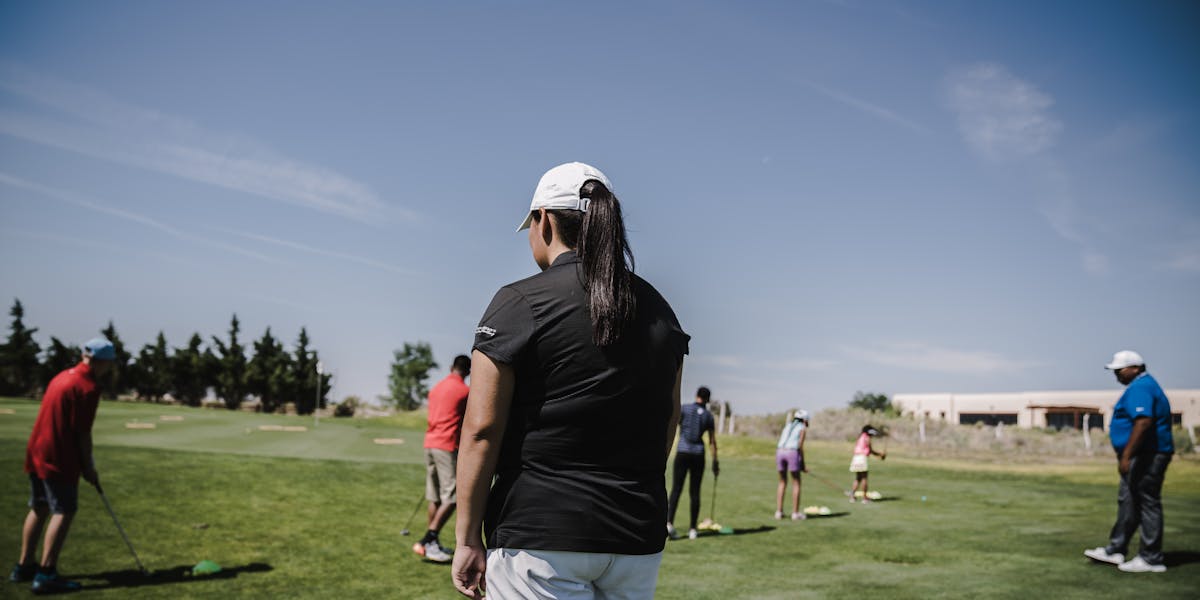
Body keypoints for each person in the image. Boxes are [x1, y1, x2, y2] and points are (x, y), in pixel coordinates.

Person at [452, 162, 689, 599]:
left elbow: (482, 430)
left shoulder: (520, 300)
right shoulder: (661, 310)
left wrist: (466, 538)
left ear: (543, 220)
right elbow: (669, 420)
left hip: (540, 535)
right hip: (636, 536)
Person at [10, 338, 113, 594]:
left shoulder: (61, 376)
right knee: (64, 510)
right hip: (59, 455)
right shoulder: (87, 387)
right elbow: (82, 433)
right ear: (103, 362)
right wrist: (88, 467)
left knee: (40, 506)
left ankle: (24, 566)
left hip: (37, 450)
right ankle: (46, 573)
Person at [1084, 350, 1174, 573]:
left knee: (1146, 501)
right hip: (1142, 453)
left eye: (1119, 370)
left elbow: (1143, 422)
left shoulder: (1141, 387)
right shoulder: (1141, 386)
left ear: (1135, 368)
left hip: (1147, 454)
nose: (1117, 375)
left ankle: (1151, 558)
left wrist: (1127, 455)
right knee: (1129, 500)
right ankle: (1116, 549)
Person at [414, 354, 471, 563]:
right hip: (447, 446)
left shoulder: (436, 387)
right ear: (468, 371)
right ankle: (429, 539)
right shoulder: (465, 391)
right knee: (453, 495)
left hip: (429, 443)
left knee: (435, 496)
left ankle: (432, 545)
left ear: (451, 367)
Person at [666, 387, 719, 540]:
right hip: (698, 454)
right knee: (694, 492)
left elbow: (673, 426)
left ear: (696, 396)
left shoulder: (684, 409)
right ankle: (693, 529)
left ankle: (669, 523)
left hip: (682, 452)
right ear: (707, 400)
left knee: (676, 489)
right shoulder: (708, 416)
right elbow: (712, 441)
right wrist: (715, 462)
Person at [775, 409, 809, 520]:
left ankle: (779, 512)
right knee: (796, 482)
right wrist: (803, 465)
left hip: (780, 452)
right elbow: (800, 447)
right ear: (804, 420)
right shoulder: (802, 428)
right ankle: (795, 513)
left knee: (782, 481)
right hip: (792, 452)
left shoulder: (788, 425)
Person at [849, 425, 885, 503]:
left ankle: (852, 496)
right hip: (862, 458)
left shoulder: (860, 437)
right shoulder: (867, 438)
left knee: (858, 478)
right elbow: (870, 450)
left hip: (855, 458)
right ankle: (865, 498)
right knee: (864, 478)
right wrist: (880, 454)